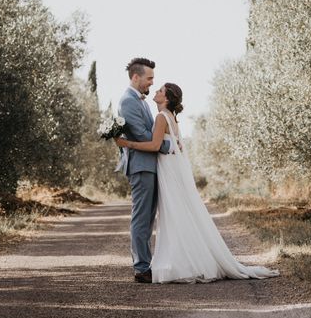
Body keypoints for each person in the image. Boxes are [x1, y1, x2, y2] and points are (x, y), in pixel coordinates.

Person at [116, 83, 280, 283]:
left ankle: (183, 262)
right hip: (171, 169)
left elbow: (154, 145)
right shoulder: (172, 117)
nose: (156, 91)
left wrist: (126, 143)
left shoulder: (161, 117)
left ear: (166, 98)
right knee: (179, 214)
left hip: (167, 171)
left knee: (173, 215)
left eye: (160, 90)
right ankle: (190, 259)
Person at [117, 57, 171, 283]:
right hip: (141, 166)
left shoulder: (141, 100)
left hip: (149, 165)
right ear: (135, 77)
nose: (151, 83)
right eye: (149, 79)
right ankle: (141, 267)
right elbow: (142, 135)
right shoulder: (128, 101)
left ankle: (146, 264)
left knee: (148, 218)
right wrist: (168, 145)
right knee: (141, 218)